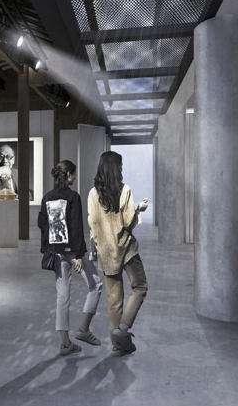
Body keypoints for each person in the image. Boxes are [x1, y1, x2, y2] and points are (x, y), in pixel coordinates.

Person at [38, 160, 102, 356]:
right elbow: (75, 228)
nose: (75, 177)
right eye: (73, 174)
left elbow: (43, 225)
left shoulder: (47, 197)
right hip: (74, 253)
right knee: (96, 285)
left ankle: (65, 343)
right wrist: (77, 255)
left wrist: (50, 249)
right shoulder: (73, 197)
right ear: (67, 175)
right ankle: (83, 329)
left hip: (56, 253)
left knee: (63, 296)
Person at [88, 151, 149, 356]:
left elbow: (93, 223)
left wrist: (95, 246)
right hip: (126, 248)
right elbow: (128, 222)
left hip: (106, 251)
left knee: (114, 299)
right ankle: (122, 330)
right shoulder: (125, 190)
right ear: (116, 168)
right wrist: (139, 209)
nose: (122, 169)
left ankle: (117, 345)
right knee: (140, 286)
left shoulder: (93, 194)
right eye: (120, 166)